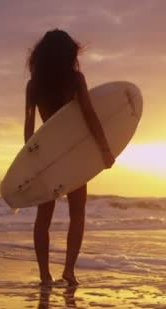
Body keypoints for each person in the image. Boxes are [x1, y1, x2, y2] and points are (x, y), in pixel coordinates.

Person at [25, 29, 115, 287]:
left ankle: (44, 275)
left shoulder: (34, 84)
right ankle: (69, 271)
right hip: (74, 152)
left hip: (48, 153)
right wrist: (105, 149)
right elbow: (89, 114)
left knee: (44, 217)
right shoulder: (75, 80)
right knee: (77, 213)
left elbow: (29, 127)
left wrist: (30, 159)